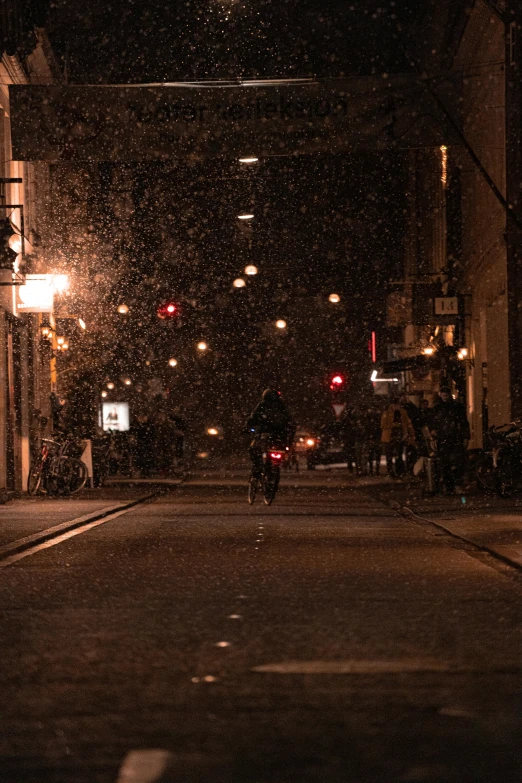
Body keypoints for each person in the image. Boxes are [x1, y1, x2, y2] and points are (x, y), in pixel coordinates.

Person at [430, 385, 470, 494]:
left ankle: (452, 486)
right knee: (448, 463)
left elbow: (463, 422)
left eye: (446, 395)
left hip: (450, 437)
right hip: (448, 437)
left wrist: (465, 436)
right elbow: (433, 424)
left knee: (452, 463)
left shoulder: (442, 408)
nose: (445, 397)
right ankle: (452, 486)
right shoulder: (450, 407)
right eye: (444, 395)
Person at [246, 388, 295, 477]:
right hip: (279, 434)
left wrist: (248, 428)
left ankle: (258, 468)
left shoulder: (262, 405)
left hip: (265, 433)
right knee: (260, 449)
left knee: (254, 449)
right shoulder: (282, 406)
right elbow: (290, 421)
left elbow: (253, 418)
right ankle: (263, 468)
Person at [380, 398, 415, 478]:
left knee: (398, 455)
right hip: (389, 437)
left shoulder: (403, 413)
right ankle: (392, 472)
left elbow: (408, 424)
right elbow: (383, 425)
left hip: (400, 437)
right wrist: (393, 425)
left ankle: (399, 472)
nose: (399, 406)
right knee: (389, 456)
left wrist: (411, 433)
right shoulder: (387, 413)